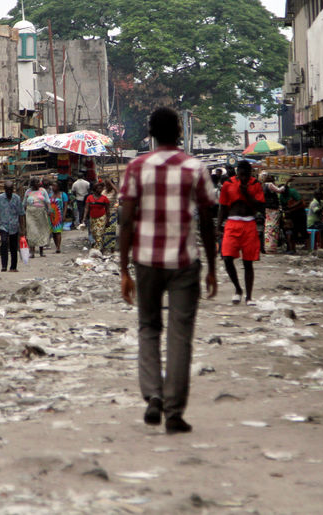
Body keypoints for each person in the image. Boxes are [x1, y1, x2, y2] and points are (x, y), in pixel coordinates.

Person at [119, 107, 217, 434]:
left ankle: (153, 397)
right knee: (180, 336)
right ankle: (174, 411)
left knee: (148, 328)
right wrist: (213, 267)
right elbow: (207, 222)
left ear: (150, 133)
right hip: (184, 262)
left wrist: (123, 269)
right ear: (178, 130)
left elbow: (126, 220)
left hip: (145, 260)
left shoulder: (135, 168)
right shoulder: (195, 168)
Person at [218, 160, 264, 305]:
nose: (244, 178)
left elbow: (261, 206)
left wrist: (247, 193)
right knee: (226, 258)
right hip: (232, 223)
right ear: (238, 173)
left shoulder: (255, 184)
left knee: (248, 261)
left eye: (246, 175)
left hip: (249, 223)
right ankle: (238, 289)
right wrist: (218, 225)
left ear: (250, 173)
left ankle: (249, 296)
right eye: (241, 174)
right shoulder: (228, 184)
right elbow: (223, 206)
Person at [0, 180, 25, 271]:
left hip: (14, 225)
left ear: (13, 189)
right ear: (4, 189)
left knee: (13, 246)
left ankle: (13, 267)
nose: (9, 192)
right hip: (3, 225)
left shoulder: (17, 198)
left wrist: (23, 229)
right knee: (4, 243)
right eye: (7, 190)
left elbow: (21, 214)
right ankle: (4, 266)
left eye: (11, 190)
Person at [23, 177, 51, 257]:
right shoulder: (28, 191)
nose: (39, 183)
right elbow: (24, 203)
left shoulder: (43, 191)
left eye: (39, 182)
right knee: (31, 231)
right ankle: (32, 252)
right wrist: (23, 215)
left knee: (41, 231)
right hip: (30, 213)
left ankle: (41, 251)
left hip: (41, 213)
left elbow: (47, 201)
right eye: (37, 182)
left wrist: (49, 210)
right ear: (33, 184)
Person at [259, 171, 285, 254]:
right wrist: (285, 185)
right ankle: (271, 247)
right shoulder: (270, 185)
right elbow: (279, 190)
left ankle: (267, 247)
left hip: (266, 208)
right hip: (273, 209)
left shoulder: (262, 186)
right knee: (273, 228)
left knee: (268, 228)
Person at [279, 178, 307, 253]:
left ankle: (308, 247)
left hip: (299, 213)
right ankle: (291, 248)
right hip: (291, 214)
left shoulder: (292, 192)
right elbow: (283, 206)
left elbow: (300, 201)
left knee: (303, 230)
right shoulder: (281, 196)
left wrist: (290, 207)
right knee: (292, 231)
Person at [83, 182, 110, 251]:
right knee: (94, 233)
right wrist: (84, 217)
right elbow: (86, 208)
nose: (100, 190)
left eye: (101, 188)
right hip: (92, 218)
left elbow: (107, 210)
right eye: (99, 188)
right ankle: (101, 247)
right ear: (95, 189)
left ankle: (97, 249)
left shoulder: (104, 198)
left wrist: (108, 220)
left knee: (99, 233)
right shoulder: (89, 198)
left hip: (101, 218)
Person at [48, 180, 69, 253]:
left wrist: (64, 215)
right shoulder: (50, 195)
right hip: (51, 215)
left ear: (59, 187)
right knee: (53, 232)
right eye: (52, 186)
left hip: (59, 215)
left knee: (58, 231)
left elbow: (65, 206)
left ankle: (58, 247)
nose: (53, 187)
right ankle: (56, 245)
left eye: (55, 186)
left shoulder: (63, 195)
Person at [101, 177, 119, 253]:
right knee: (104, 231)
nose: (107, 186)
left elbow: (118, 191)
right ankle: (104, 248)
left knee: (111, 231)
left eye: (108, 185)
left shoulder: (113, 191)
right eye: (106, 185)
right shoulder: (103, 192)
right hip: (104, 213)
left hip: (113, 213)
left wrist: (111, 183)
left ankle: (112, 248)